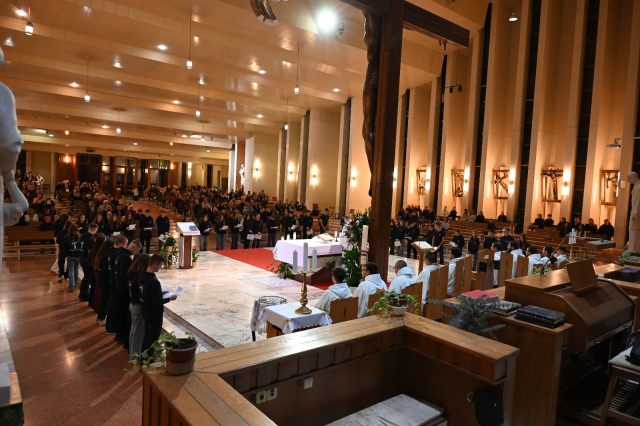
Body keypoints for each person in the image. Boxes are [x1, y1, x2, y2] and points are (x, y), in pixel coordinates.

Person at [141, 254, 178, 353]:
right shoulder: (153, 281)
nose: (160, 267)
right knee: (152, 339)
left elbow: (148, 294)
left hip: (146, 311)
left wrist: (161, 293)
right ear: (155, 264)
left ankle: (143, 358)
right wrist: (169, 298)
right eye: (160, 265)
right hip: (154, 314)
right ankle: (149, 359)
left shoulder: (143, 276)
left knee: (146, 336)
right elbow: (156, 302)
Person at [115, 240, 142, 349]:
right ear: (134, 247)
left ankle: (119, 334)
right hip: (122, 290)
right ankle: (120, 336)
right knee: (122, 313)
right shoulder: (126, 257)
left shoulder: (120, 253)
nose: (136, 253)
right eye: (136, 251)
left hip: (119, 287)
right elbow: (124, 275)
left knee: (120, 312)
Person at [105, 235, 129, 334]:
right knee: (114, 305)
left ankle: (109, 326)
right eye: (126, 244)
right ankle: (111, 327)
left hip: (112, 280)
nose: (126, 247)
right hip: (116, 282)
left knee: (112, 304)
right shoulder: (118, 253)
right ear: (121, 244)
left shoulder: (110, 250)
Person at [128, 253, 150, 360]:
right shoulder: (139, 276)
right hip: (137, 306)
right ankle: (135, 358)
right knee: (138, 333)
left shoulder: (132, 272)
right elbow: (141, 293)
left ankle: (132, 355)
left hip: (133, 304)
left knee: (134, 330)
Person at [78, 223, 98, 301]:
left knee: (86, 277)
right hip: (87, 260)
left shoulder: (82, 236)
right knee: (87, 278)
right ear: (95, 229)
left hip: (81, 258)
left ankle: (82, 294)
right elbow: (91, 252)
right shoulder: (91, 239)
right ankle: (83, 295)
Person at [64, 224, 83, 292]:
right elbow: (82, 246)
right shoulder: (80, 236)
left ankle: (71, 287)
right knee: (76, 269)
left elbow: (64, 247)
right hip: (78, 256)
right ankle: (75, 284)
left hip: (70, 255)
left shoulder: (67, 236)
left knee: (71, 271)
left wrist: (66, 254)